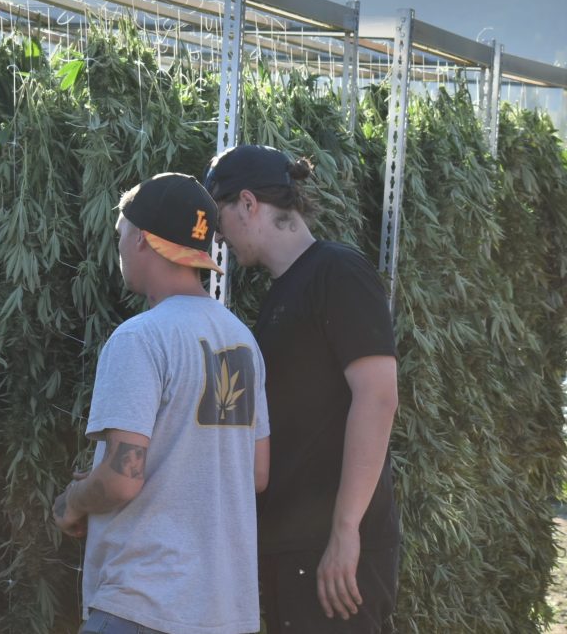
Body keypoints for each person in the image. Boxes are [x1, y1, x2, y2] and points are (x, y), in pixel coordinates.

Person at [53, 172, 271, 634]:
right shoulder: (241, 341)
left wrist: (72, 502)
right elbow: (257, 473)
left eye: (121, 235)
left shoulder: (139, 338)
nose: (118, 247)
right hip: (225, 611)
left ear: (142, 241)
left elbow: (121, 478)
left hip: (143, 605)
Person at [204, 145, 401, 634]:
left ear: (248, 203)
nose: (218, 238)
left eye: (219, 216)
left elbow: (377, 398)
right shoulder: (281, 292)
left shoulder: (337, 272)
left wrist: (345, 530)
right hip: (293, 547)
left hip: (333, 551)